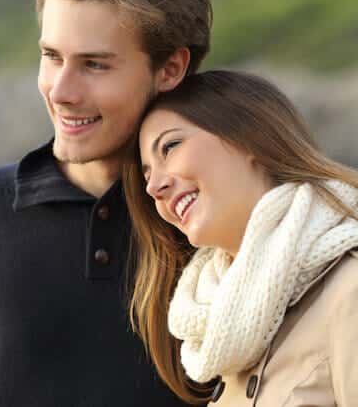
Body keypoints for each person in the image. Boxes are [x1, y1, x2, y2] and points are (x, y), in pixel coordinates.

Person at [0, 0, 212, 406]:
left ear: (170, 69)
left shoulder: (215, 220)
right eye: (51, 57)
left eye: (94, 65)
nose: (61, 91)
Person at [124, 70, 358, 406]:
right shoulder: (223, 322)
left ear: (250, 138)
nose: (153, 186)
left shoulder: (349, 289)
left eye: (170, 147)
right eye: (147, 173)